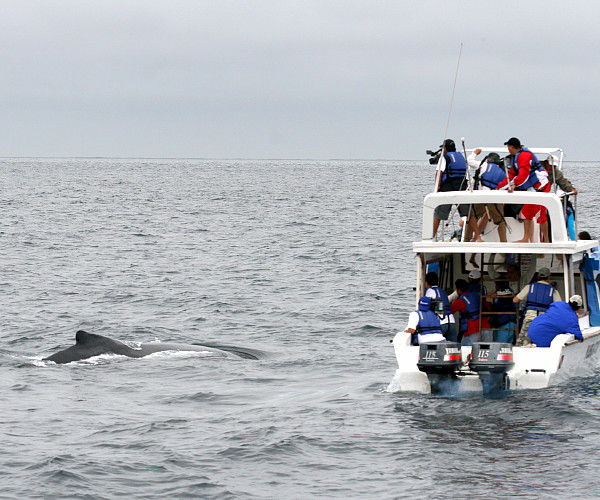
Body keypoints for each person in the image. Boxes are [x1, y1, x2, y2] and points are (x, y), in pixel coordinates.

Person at [497, 137, 550, 243]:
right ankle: (527, 239)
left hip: (540, 186)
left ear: (511, 147)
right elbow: (511, 175)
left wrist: (514, 185)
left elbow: (524, 175)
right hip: (532, 188)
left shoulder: (525, 155)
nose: (507, 149)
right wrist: (499, 188)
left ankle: (545, 241)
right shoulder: (514, 158)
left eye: (508, 146)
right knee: (527, 213)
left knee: (540, 215)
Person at [432, 139, 472, 239]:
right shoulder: (461, 157)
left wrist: (436, 189)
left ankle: (431, 236)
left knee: (438, 214)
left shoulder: (444, 158)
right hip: (461, 187)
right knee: (468, 214)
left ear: (445, 148)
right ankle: (473, 236)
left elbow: (439, 174)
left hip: (448, 188)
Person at [467, 149, 508, 242]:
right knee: (501, 222)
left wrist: (475, 153)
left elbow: (469, 161)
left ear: (488, 159)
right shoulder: (503, 172)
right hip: (494, 198)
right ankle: (504, 244)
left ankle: (466, 241)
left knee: (472, 218)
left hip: (481, 196)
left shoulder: (483, 165)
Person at [513, 267, 561, 345]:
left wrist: (527, 299)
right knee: (542, 341)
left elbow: (515, 300)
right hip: (544, 319)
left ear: (538, 276)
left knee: (523, 342)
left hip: (530, 317)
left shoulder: (529, 287)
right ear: (549, 277)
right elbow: (559, 306)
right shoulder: (553, 291)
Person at [539, 156, 578, 242]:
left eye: (554, 166)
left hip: (543, 198)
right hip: (532, 193)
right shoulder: (537, 167)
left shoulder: (556, 173)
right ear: (546, 163)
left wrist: (571, 189)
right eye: (550, 165)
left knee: (544, 217)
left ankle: (547, 240)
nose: (552, 168)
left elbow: (563, 182)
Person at [451, 279, 490, 345]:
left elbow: (449, 311)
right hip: (486, 327)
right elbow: (488, 307)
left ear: (458, 290)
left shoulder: (460, 300)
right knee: (486, 351)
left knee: (465, 349)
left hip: (473, 329)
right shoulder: (478, 295)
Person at [424, 271, 458, 342]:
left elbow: (426, 306)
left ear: (426, 283)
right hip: (451, 321)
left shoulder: (430, 291)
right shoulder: (442, 291)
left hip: (441, 322)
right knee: (453, 348)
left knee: (436, 346)